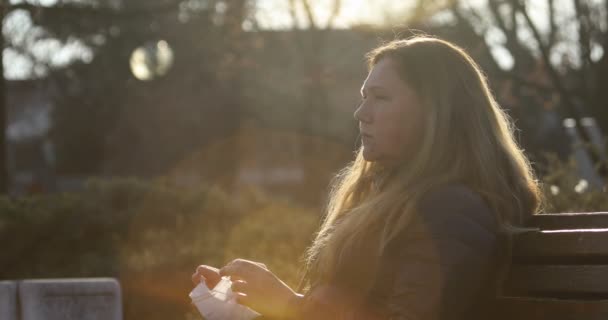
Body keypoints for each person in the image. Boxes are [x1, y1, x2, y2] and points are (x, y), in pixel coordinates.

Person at [191, 35, 542, 320]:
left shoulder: (452, 210)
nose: (361, 113)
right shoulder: (399, 201)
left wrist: (289, 304)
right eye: (364, 98)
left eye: (381, 98)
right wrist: (248, 307)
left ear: (435, 112)